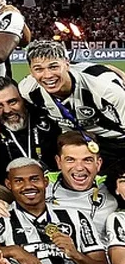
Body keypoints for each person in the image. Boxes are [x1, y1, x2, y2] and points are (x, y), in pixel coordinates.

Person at [17, 40, 125, 178]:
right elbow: (8, 103)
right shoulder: (28, 90)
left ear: (67, 64)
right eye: (38, 69)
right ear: (31, 71)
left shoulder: (106, 90)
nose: (48, 75)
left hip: (118, 141)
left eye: (53, 67)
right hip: (76, 141)